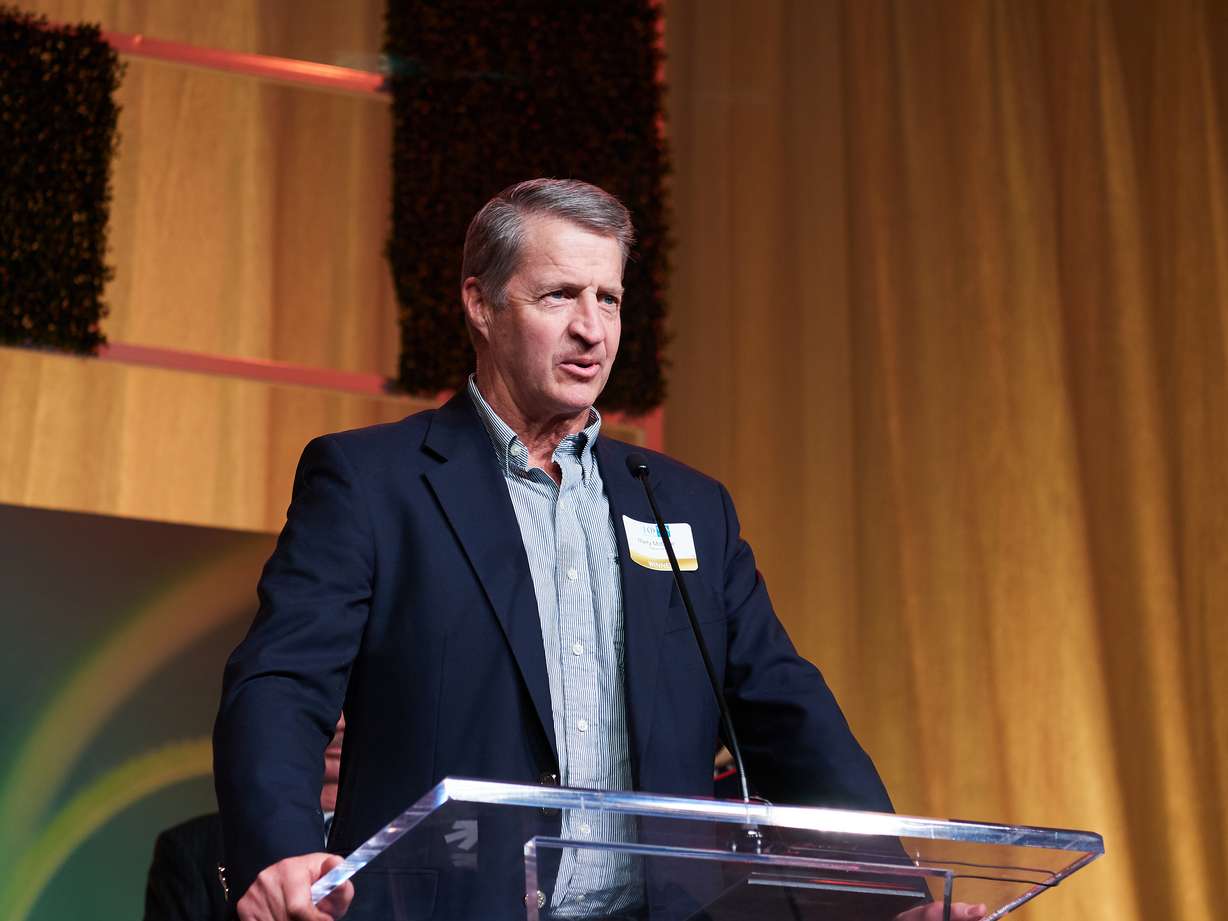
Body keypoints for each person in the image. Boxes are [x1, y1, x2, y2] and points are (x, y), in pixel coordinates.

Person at [213, 178, 983, 921]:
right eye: (559, 296)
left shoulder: (685, 505)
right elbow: (282, 681)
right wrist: (278, 850)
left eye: (608, 298)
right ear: (479, 303)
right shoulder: (373, 482)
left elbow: (785, 708)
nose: (592, 328)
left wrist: (892, 887)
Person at [145, 717, 344, 921]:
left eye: (352, 698)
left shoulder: (378, 846)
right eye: (321, 696)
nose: (339, 723)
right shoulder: (190, 846)